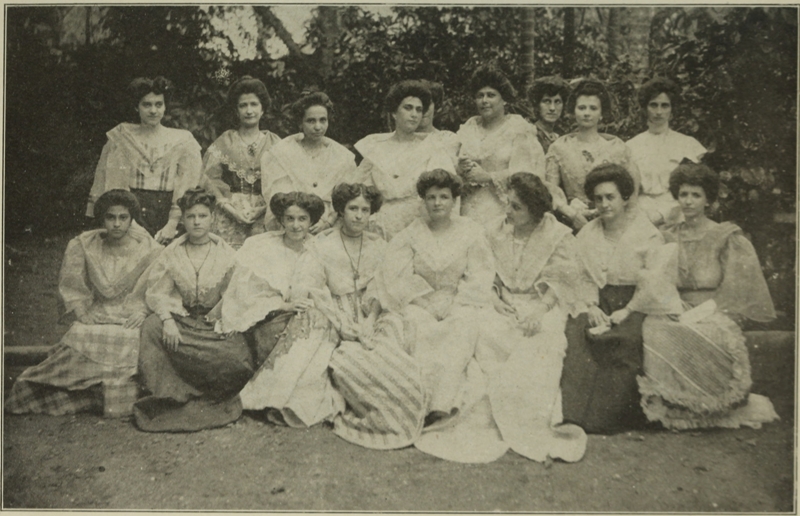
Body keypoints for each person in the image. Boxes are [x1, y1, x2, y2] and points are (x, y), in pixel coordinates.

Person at [638, 164, 779, 430]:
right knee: (654, 327)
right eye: (683, 195)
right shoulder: (668, 234)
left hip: (715, 306)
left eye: (695, 195)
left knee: (708, 331)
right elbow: (658, 280)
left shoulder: (725, 236)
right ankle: (675, 407)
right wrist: (670, 306)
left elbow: (736, 288)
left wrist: (702, 312)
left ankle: (712, 408)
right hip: (675, 305)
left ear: (708, 200)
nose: (688, 201)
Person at [376, 169, 503, 462]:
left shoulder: (471, 231)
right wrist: (424, 300)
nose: (437, 203)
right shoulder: (410, 234)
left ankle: (444, 404)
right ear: (423, 201)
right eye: (431, 197)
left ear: (454, 200)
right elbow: (397, 277)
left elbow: (480, 274)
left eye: (443, 197)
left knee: (462, 328)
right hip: (419, 301)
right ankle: (420, 405)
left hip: (460, 301)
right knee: (418, 327)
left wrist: (457, 302)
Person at [6, 190, 162, 417]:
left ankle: (111, 398)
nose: (117, 224)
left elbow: (156, 286)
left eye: (123, 218)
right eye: (110, 218)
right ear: (102, 219)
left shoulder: (149, 250)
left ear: (132, 219)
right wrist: (81, 311)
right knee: (79, 335)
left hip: (131, 314)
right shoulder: (85, 245)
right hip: (97, 312)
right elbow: (72, 286)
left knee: (132, 339)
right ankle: (71, 392)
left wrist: (143, 310)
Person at [559, 164, 680, 434]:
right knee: (577, 332)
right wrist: (590, 305)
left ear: (625, 197)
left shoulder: (646, 233)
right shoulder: (587, 233)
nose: (603, 204)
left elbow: (655, 280)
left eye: (610, 197)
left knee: (626, 340)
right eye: (598, 198)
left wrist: (629, 310)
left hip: (637, 302)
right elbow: (578, 274)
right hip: (597, 301)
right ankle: (573, 415)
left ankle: (608, 418)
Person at [479, 172, 588, 462]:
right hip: (503, 301)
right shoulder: (495, 231)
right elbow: (483, 272)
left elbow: (561, 281)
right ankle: (491, 416)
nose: (508, 211)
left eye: (517, 207)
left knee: (544, 341)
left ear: (535, 209)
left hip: (543, 302)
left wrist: (538, 310)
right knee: (485, 331)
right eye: (508, 203)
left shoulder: (556, 235)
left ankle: (529, 420)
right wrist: (494, 297)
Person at [134, 188, 252, 432]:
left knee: (238, 360)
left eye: (202, 216)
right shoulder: (172, 253)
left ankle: (210, 399)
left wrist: (223, 317)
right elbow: (158, 292)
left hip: (214, 323)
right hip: (183, 320)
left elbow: (236, 293)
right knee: (152, 328)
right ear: (183, 220)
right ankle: (171, 396)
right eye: (191, 216)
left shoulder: (227, 254)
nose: (197, 222)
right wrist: (167, 320)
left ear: (212, 218)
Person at [222, 191, 324, 408]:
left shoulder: (319, 249)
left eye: (302, 219)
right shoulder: (262, 246)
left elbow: (324, 288)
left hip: (305, 317)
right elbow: (246, 294)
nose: (296, 225)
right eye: (290, 219)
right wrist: (283, 305)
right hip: (267, 318)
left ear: (312, 221)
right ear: (281, 220)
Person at [86, 77, 203, 243]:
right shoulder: (123, 137)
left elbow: (186, 185)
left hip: (168, 213)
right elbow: (115, 185)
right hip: (131, 213)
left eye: (158, 104)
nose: (153, 110)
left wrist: (172, 223)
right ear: (136, 107)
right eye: (146, 104)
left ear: (165, 106)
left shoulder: (182, 141)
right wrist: (131, 224)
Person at [354, 80, 455, 241]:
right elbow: (356, 191)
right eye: (408, 108)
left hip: (419, 227)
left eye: (419, 110)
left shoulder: (433, 148)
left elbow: (448, 195)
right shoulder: (376, 147)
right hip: (380, 228)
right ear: (394, 112)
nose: (414, 114)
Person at [545, 79, 640, 230]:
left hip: (611, 221)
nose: (587, 113)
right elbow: (551, 191)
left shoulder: (617, 148)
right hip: (572, 222)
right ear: (573, 111)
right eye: (582, 108)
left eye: (593, 108)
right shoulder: (559, 148)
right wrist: (572, 215)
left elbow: (631, 194)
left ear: (601, 113)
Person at [457, 66, 546, 225]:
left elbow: (527, 174)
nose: (484, 101)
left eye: (491, 95)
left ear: (504, 99)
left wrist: (489, 177)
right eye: (480, 96)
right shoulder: (469, 127)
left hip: (503, 208)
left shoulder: (518, 129)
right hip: (467, 208)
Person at [261, 91, 357, 233]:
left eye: (323, 120)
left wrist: (327, 222)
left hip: (329, 225)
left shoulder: (342, 156)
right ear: (300, 122)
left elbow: (346, 198)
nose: (318, 127)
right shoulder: (282, 152)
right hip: (291, 224)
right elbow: (279, 197)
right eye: (311, 121)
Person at [202, 76, 281, 248]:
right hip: (229, 212)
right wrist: (229, 207)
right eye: (243, 105)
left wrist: (264, 208)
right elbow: (209, 178)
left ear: (263, 109)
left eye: (254, 104)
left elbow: (283, 182)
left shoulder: (275, 143)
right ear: (236, 111)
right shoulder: (226, 141)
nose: (249, 110)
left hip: (266, 213)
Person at [626, 78, 707, 226]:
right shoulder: (631, 146)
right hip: (640, 216)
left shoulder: (688, 144)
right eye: (653, 105)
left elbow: (691, 190)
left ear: (672, 109)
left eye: (665, 106)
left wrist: (663, 214)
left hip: (679, 214)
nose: (658, 112)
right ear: (645, 108)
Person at [416, 79, 461, 166]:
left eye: (428, 104)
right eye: (419, 104)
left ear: (435, 106)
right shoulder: (398, 140)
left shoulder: (449, 140)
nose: (424, 110)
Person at [527, 75, 572, 154]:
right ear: (537, 105)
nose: (552, 108)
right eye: (547, 101)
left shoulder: (560, 137)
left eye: (557, 102)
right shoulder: (530, 135)